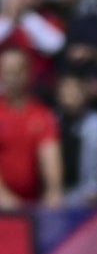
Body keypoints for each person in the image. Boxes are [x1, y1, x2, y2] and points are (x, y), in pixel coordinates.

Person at [0, 46, 61, 207]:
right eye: (7, 72)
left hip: (31, 207)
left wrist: (53, 193)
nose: (13, 77)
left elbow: (51, 160)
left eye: (18, 71)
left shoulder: (43, 115)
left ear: (28, 73)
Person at [55, 71, 97, 206]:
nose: (71, 95)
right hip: (57, 196)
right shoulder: (51, 120)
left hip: (86, 197)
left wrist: (95, 189)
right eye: (66, 89)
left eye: (76, 90)